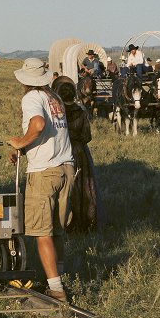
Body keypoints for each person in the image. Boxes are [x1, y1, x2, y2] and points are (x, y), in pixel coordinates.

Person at [8, 58, 74, 302]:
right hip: (66, 167)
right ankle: (60, 277)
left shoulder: (31, 98)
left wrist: (20, 143)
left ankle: (56, 289)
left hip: (44, 171)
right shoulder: (54, 98)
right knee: (57, 230)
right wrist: (23, 148)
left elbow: (38, 124)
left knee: (41, 232)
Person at [52, 76, 100, 233]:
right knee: (83, 186)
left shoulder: (57, 113)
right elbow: (88, 137)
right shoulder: (81, 112)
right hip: (78, 152)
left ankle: (64, 223)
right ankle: (85, 222)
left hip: (61, 151)